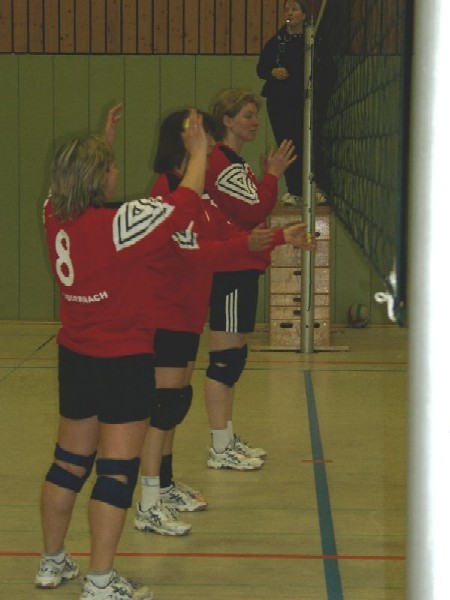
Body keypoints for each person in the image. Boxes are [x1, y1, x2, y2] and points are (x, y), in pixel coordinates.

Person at [35, 104, 208, 599]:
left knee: (69, 462)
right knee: (116, 470)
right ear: (101, 176)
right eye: (110, 166)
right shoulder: (124, 222)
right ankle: (100, 580)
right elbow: (185, 204)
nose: (116, 172)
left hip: (76, 357)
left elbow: (77, 184)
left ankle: (52, 562)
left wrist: (100, 143)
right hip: (124, 359)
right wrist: (198, 152)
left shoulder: (52, 213)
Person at [134, 109, 315, 536]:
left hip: (187, 315)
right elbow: (199, 253)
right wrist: (252, 242)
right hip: (166, 314)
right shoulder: (167, 192)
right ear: (183, 140)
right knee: (162, 409)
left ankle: (164, 485)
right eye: (202, 134)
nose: (212, 143)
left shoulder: (199, 197)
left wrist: (278, 236)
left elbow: (222, 240)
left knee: (174, 405)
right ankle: (148, 503)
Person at [204, 88, 302, 470]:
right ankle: (219, 447)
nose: (255, 122)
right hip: (230, 268)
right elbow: (255, 208)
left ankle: (226, 439)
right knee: (224, 360)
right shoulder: (222, 162)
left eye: (255, 115)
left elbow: (252, 209)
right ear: (227, 120)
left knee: (234, 357)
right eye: (247, 115)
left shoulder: (235, 164)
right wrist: (274, 174)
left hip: (242, 265)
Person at [256, 0, 308, 206]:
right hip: (280, 102)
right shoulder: (277, 41)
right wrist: (272, 72)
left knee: (307, 143)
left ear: (304, 15)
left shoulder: (313, 41)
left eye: (294, 9)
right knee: (287, 144)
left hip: (305, 101)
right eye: (287, 9)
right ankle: (295, 190)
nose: (289, 13)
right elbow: (261, 69)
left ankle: (312, 188)